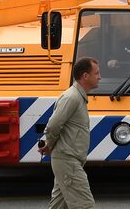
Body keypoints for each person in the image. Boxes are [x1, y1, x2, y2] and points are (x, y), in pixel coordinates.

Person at [40, 57, 98, 209]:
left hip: (67, 161)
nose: (99, 77)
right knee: (85, 205)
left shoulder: (77, 97)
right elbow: (53, 125)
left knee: (59, 206)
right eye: (96, 73)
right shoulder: (71, 97)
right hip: (68, 161)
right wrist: (49, 145)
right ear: (85, 76)